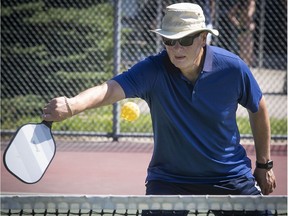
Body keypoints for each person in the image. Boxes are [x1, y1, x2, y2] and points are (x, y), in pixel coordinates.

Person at [42, 3, 276, 215]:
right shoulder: (153, 69)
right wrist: (73, 105)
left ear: (203, 38)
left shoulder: (232, 68)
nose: (176, 48)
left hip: (229, 176)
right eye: (169, 40)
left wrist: (264, 164)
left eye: (185, 40)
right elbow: (110, 89)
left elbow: (258, 107)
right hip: (169, 180)